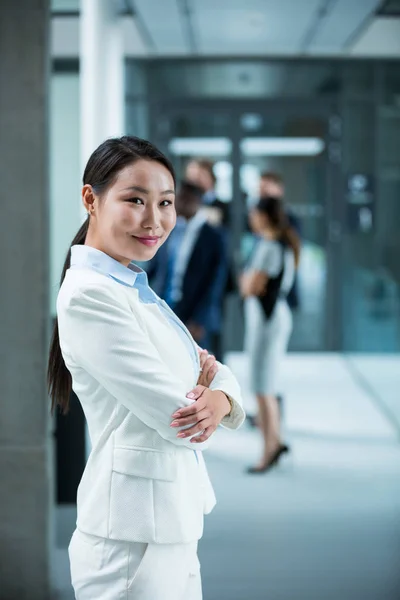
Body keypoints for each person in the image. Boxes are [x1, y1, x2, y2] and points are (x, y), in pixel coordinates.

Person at [47, 136, 245, 600]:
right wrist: (205, 391)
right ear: (90, 199)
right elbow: (178, 416)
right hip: (130, 541)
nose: (154, 221)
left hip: (169, 525)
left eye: (166, 203)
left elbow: (210, 369)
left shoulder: (132, 284)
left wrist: (217, 394)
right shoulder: (91, 295)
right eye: (134, 200)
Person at [239, 196, 300, 474]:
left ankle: (268, 451)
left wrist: (248, 281)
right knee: (267, 386)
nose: (251, 217)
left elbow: (250, 287)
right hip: (270, 318)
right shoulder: (278, 243)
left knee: (263, 388)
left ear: (264, 216)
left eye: (254, 212)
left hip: (267, 320)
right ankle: (275, 441)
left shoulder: (270, 246)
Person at [147, 180, 228, 351]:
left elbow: (216, 282)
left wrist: (200, 319)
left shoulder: (213, 236)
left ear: (196, 202)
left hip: (194, 314)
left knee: (196, 367)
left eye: (183, 200)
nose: (177, 205)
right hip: (165, 306)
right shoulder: (169, 229)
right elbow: (154, 268)